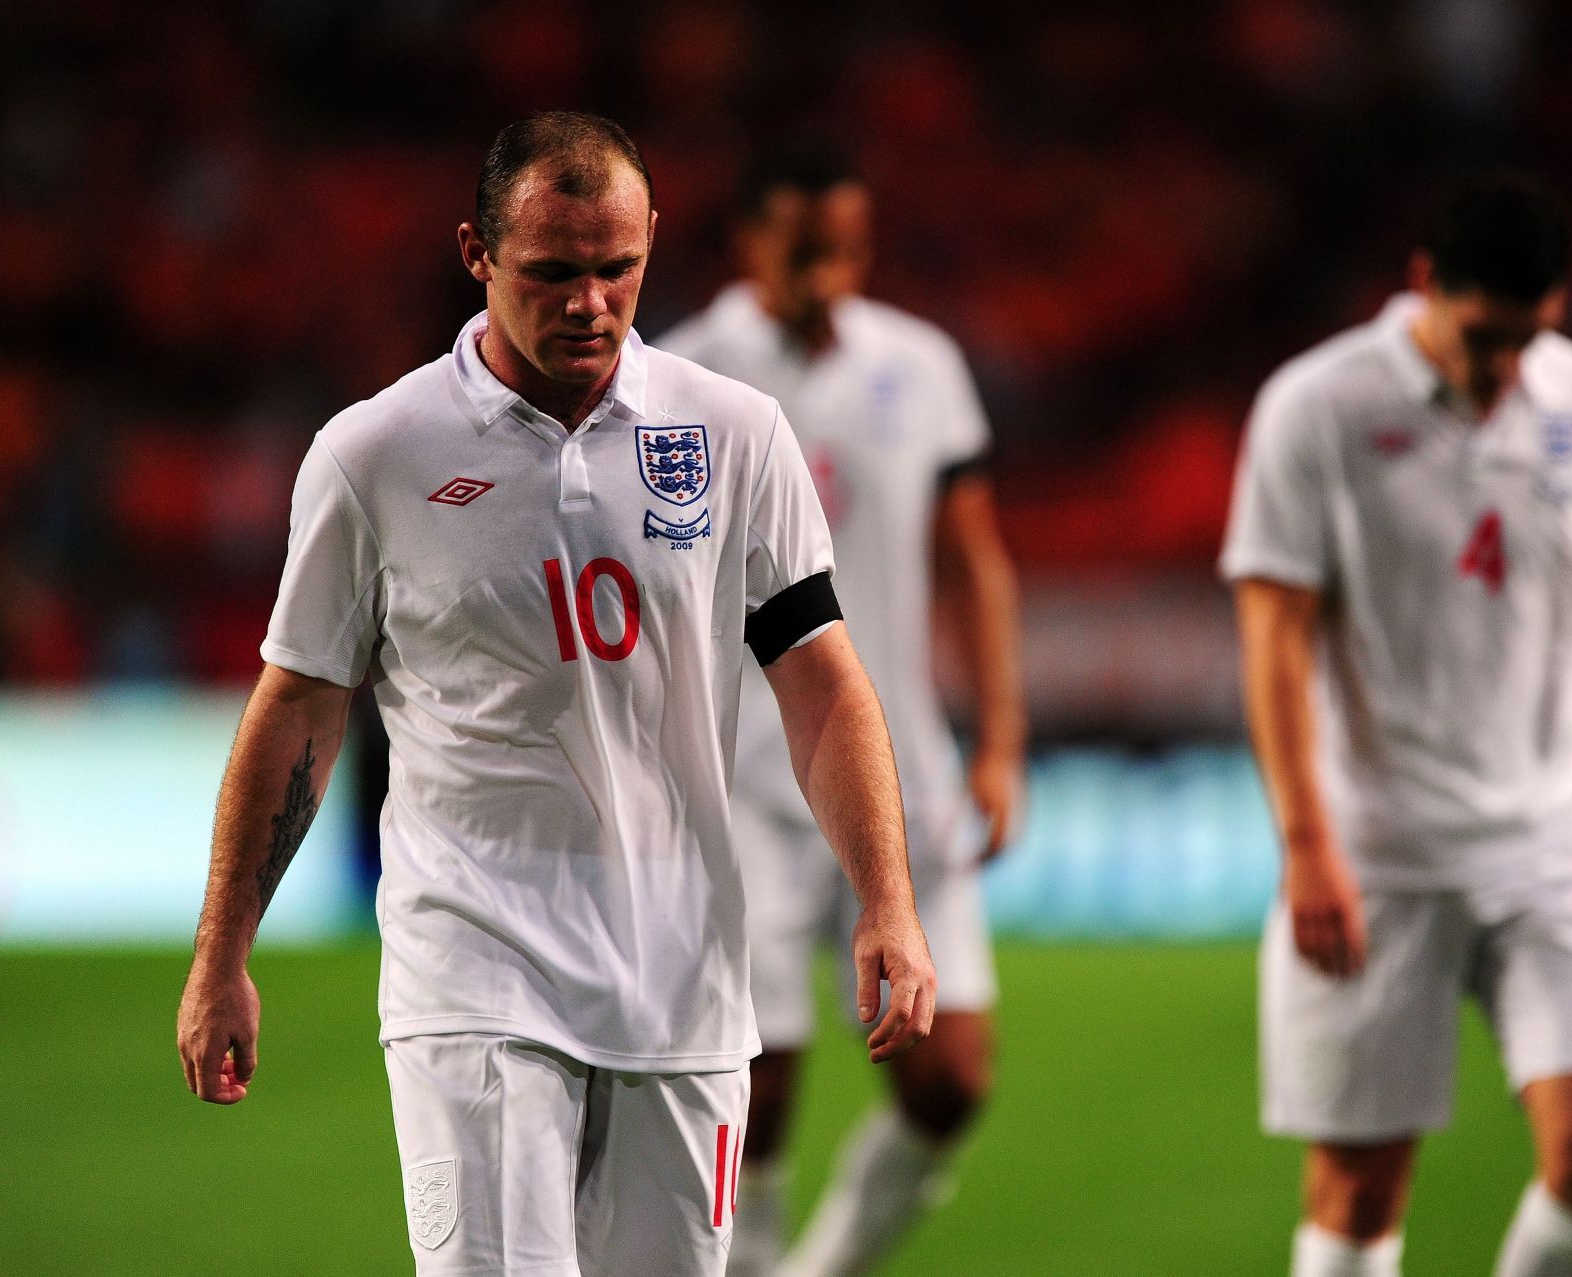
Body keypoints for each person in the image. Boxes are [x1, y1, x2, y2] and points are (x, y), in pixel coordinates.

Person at [174, 111, 938, 1277]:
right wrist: (222, 951)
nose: (590, 301)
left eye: (617, 268)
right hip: (473, 968)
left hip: (681, 980)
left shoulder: (732, 432)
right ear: (477, 254)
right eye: (552, 272)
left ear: (654, 243)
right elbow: (299, 706)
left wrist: (887, 895)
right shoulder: (375, 453)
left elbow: (822, 680)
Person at [1221, 171, 1572, 1277]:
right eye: (1484, 333)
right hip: (1379, 848)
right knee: (1359, 1191)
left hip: (1550, 838)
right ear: (1423, 284)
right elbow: (1273, 631)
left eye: (1531, 334)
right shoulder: (1317, 407)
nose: (1506, 364)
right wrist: (1308, 842)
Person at [656, 148, 1026, 1277]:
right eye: (809, 246)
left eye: (851, 245)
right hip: (744, 778)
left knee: (950, 1076)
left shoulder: (920, 366)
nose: (834, 269)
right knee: (755, 1083)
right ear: (750, 244)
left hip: (898, 769)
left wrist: (1002, 740)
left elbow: (973, 559)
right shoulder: (678, 373)